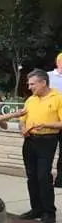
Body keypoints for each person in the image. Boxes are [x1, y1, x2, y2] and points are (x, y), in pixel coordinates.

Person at [19, 69, 62, 223]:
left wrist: (45, 124)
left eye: (33, 84)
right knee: (31, 176)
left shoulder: (58, 98)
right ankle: (36, 209)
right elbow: (23, 119)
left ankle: (49, 212)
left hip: (47, 140)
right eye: (29, 84)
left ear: (43, 83)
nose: (30, 87)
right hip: (30, 140)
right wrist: (23, 127)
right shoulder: (30, 100)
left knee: (43, 176)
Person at [46, 53, 62, 187]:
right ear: (57, 62)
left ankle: (60, 180)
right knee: (48, 150)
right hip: (50, 119)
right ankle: (46, 177)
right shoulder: (48, 76)